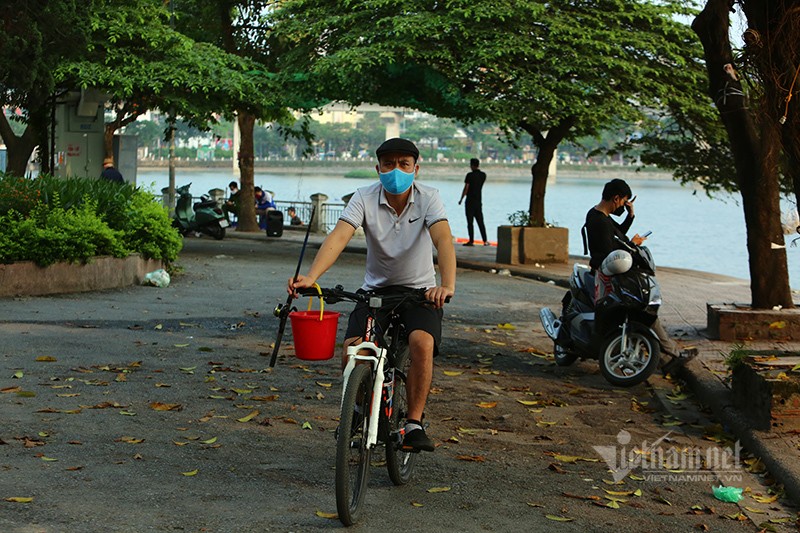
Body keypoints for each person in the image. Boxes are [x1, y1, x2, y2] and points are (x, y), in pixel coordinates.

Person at [287, 138, 456, 453]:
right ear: (378, 168)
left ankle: (414, 423)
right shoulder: (363, 197)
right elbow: (339, 236)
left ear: (415, 169)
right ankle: (358, 410)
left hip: (420, 293)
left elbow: (443, 240)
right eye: (388, 164)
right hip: (375, 292)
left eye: (404, 164)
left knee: (423, 343)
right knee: (353, 352)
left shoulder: (429, 198)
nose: (396, 170)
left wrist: (446, 284)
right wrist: (311, 277)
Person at [582, 178, 695, 369]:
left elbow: (617, 235)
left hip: (613, 272)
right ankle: (670, 354)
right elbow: (611, 251)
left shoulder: (601, 217)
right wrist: (632, 244)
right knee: (642, 311)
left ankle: (665, 357)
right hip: (608, 276)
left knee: (642, 313)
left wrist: (630, 216)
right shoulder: (599, 221)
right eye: (624, 202)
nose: (624, 206)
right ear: (616, 198)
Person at [458, 158, 488, 246]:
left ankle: (471, 241)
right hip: (478, 201)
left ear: (472, 165)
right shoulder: (483, 175)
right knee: (480, 221)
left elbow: (466, 188)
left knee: (470, 222)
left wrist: (461, 199)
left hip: (470, 201)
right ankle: (485, 240)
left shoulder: (469, 175)